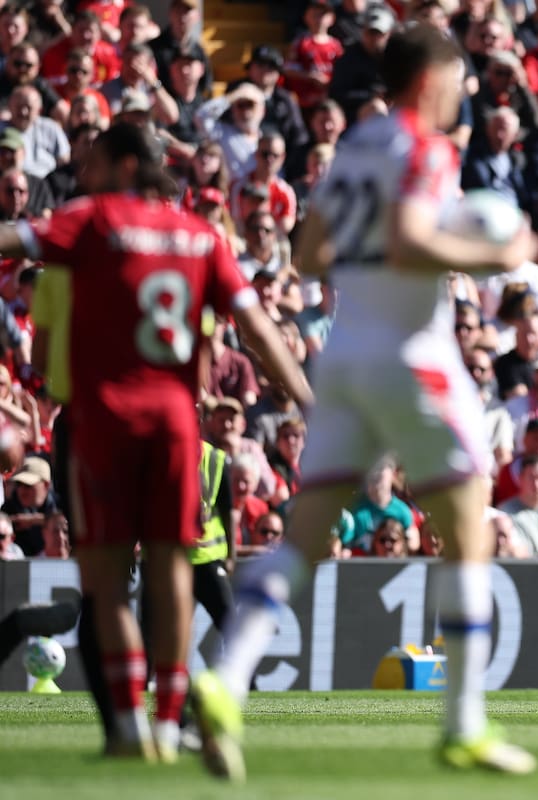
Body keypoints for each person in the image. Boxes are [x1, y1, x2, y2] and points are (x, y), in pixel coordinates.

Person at [194, 26, 536, 780]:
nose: (462, 96)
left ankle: (224, 678)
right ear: (432, 79)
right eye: (459, 82)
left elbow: (308, 254)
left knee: (302, 540)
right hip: (411, 354)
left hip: (343, 355)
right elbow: (413, 242)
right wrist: (499, 255)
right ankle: (464, 725)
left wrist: (378, 246)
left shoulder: (354, 146)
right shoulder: (424, 145)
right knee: (468, 530)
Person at [0, 122, 311, 761]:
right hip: (176, 423)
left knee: (107, 581)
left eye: (92, 164)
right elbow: (256, 326)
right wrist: (308, 400)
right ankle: (169, 722)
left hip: (104, 418)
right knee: (173, 569)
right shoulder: (201, 236)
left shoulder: (90, 221)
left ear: (120, 167)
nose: (83, 175)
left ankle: (130, 729)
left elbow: (13, 237)